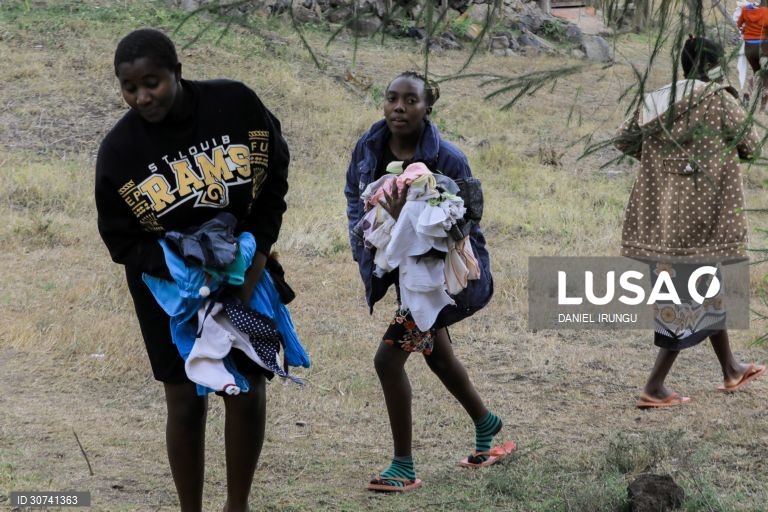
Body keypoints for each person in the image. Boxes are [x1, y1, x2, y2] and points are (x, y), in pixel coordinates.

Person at [95, 28, 290, 512]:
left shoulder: (237, 106)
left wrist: (257, 253)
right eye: (129, 86)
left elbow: (274, 178)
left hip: (243, 271)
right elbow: (120, 237)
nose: (142, 96)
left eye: (152, 82)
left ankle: (236, 506)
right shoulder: (119, 151)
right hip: (169, 289)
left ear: (177, 73)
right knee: (185, 400)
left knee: (244, 387)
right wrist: (181, 269)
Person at [344, 72, 513, 492]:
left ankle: (402, 466)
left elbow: (465, 225)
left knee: (387, 361)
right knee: (437, 355)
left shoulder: (449, 158)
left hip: (442, 279)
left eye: (410, 100)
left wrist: (409, 218)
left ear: (427, 108)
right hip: (407, 276)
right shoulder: (368, 148)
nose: (399, 107)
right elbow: (354, 199)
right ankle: (487, 424)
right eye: (391, 98)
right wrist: (369, 242)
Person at [615, 36, 765, 408]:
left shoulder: (657, 100)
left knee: (701, 289)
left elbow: (625, 140)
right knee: (690, 297)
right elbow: (751, 143)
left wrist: (662, 164)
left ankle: (731, 368)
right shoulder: (718, 101)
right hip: (706, 217)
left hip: (661, 217)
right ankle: (654, 386)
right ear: (714, 66)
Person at [737, 0, 768, 109]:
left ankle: (748, 93)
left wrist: (746, 30)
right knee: (765, 76)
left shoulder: (745, 10)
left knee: (757, 72)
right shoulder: (765, 12)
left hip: (749, 49)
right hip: (762, 48)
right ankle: (763, 107)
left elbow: (739, 24)